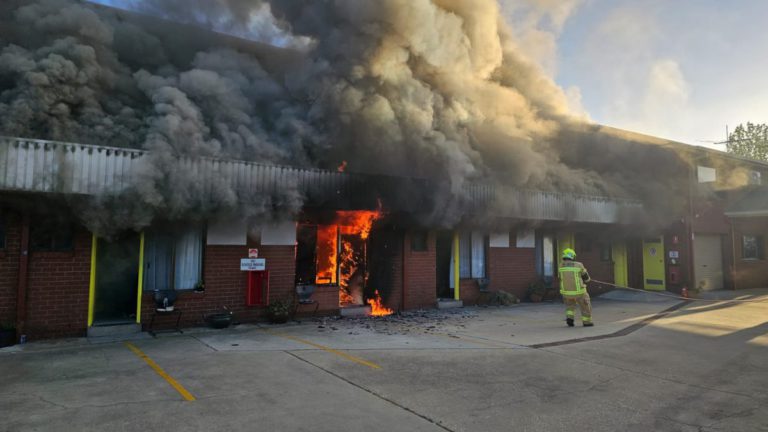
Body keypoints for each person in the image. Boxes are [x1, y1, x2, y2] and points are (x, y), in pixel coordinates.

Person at [558, 248, 593, 327]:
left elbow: (560, 277)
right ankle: (587, 322)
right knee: (586, 305)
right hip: (579, 292)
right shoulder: (579, 265)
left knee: (570, 306)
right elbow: (586, 279)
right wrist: (587, 280)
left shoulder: (560, 265)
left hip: (566, 293)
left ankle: (570, 318)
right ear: (572, 256)